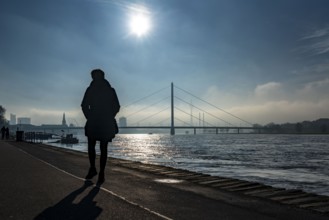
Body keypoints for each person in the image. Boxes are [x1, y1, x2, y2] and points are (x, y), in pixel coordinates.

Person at [81, 69, 120, 185]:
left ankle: (95, 169)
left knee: (93, 146)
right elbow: (117, 106)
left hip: (96, 121)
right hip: (103, 122)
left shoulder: (91, 90)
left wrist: (90, 116)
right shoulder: (110, 90)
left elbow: (84, 105)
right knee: (102, 148)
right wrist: (109, 116)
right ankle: (98, 171)